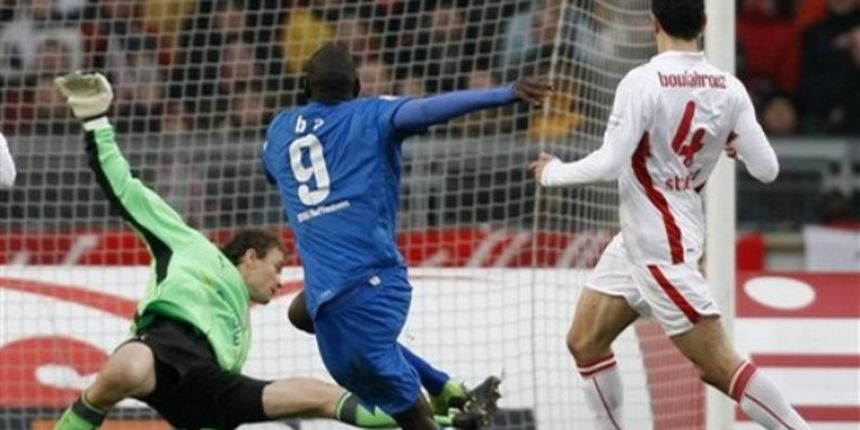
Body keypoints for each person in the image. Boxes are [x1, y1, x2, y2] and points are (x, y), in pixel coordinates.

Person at [52, 72, 486, 430]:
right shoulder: (187, 246)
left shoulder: (242, 328)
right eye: (277, 267)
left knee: (319, 395)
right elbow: (126, 190)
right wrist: (96, 122)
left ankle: (436, 424)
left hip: (209, 389)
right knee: (126, 369)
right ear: (251, 256)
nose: (280, 281)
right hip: (163, 348)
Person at [528, 1, 812, 429]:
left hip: (662, 252)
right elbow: (767, 170)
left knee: (719, 368)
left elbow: (609, 163)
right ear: (704, 22)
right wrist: (730, 148)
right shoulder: (729, 88)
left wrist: (552, 172)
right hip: (641, 242)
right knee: (585, 341)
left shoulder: (641, 82)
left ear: (653, 24)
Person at [262, 43, 551, 430]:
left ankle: (446, 408)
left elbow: (272, 171)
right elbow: (431, 108)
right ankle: (446, 391)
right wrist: (506, 92)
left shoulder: (279, 129)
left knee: (409, 414)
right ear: (358, 86)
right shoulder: (374, 114)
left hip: (361, 293)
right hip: (369, 291)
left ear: (303, 86)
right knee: (302, 313)